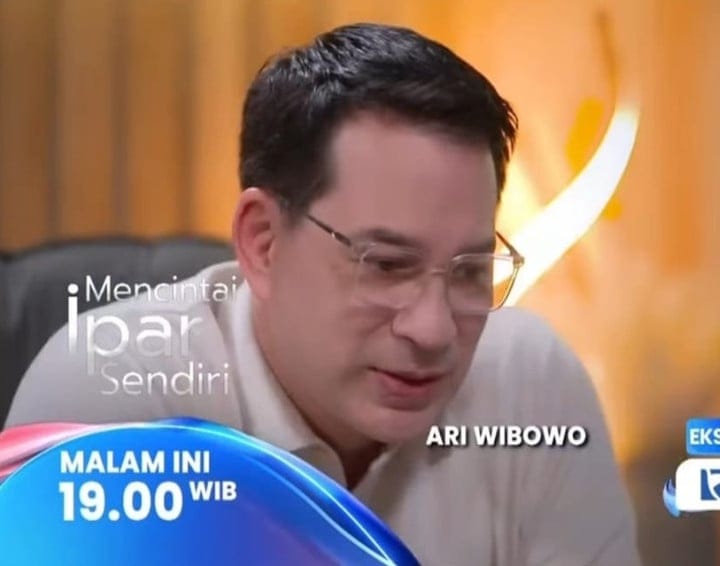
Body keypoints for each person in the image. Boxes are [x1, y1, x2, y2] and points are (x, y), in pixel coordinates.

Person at [6, 23, 641, 565]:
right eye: (387, 265)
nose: (434, 330)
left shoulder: (530, 381)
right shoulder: (109, 405)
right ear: (262, 243)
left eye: (470, 271)